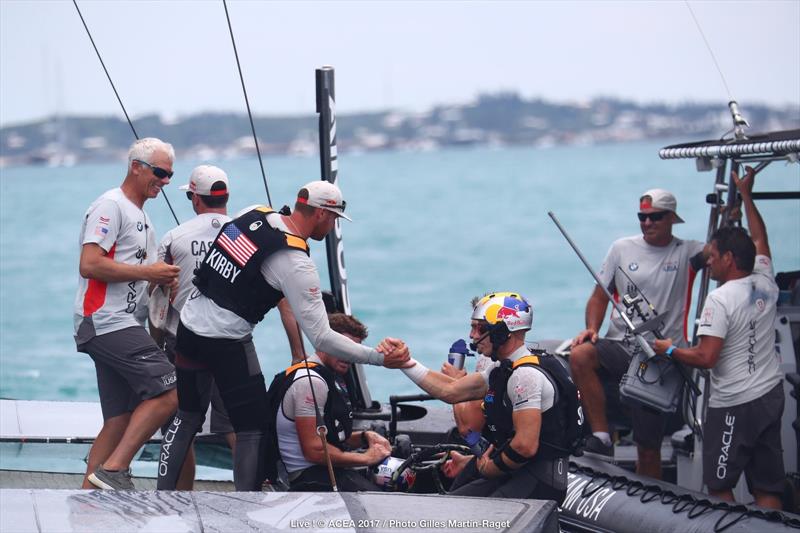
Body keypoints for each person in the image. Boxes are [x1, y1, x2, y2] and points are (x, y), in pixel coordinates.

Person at [174, 180, 409, 491]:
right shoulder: (298, 263)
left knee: (186, 419)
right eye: (335, 218)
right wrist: (380, 358)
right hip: (225, 342)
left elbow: (237, 266)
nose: (334, 225)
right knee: (253, 428)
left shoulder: (251, 213)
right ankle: (249, 500)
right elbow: (323, 339)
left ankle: (164, 496)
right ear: (322, 215)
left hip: (187, 329)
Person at [654, 167, 784, 509]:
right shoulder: (766, 281)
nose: (708, 264)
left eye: (712, 257)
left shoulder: (720, 299)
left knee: (719, 486)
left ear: (729, 258)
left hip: (733, 406)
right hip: (770, 395)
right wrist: (746, 196)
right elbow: (760, 238)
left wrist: (669, 351)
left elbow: (706, 358)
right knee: (768, 487)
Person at [569, 188, 706, 479]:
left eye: (655, 217)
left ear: (671, 219)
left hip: (660, 355)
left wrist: (734, 212)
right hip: (622, 344)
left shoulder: (688, 252)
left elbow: (723, 253)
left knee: (648, 446)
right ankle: (601, 436)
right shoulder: (621, 248)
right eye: (642, 217)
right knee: (580, 353)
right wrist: (592, 328)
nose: (647, 223)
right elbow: (599, 296)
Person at [73, 137, 181, 490]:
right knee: (170, 391)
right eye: (160, 172)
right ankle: (114, 470)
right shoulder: (111, 206)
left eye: (169, 175)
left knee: (118, 419)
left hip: (121, 324)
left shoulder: (143, 218)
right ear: (136, 166)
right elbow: (90, 265)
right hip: (104, 321)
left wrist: (160, 283)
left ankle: (86, 498)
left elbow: (137, 279)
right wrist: (150, 273)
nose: (165, 182)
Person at [395, 292, 572, 502]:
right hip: (516, 470)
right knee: (450, 504)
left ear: (502, 332)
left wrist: (490, 469)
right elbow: (451, 390)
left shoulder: (525, 376)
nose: (472, 336)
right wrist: (405, 363)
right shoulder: (503, 369)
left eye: (480, 328)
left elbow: (525, 446)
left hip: (537, 480)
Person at [151, 164, 235, 490]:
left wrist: (155, 345)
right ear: (225, 196)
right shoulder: (244, 234)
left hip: (182, 341)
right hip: (231, 341)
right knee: (236, 425)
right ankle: (256, 492)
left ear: (194, 199)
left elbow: (157, 304)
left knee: (180, 423)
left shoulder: (175, 238)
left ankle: (176, 497)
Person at [270, 313, 392, 491]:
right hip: (305, 477)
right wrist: (367, 458)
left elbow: (328, 434)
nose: (349, 356)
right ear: (325, 342)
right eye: (343, 347)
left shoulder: (321, 375)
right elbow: (314, 450)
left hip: (320, 470)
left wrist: (365, 437)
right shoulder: (311, 382)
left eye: (354, 350)